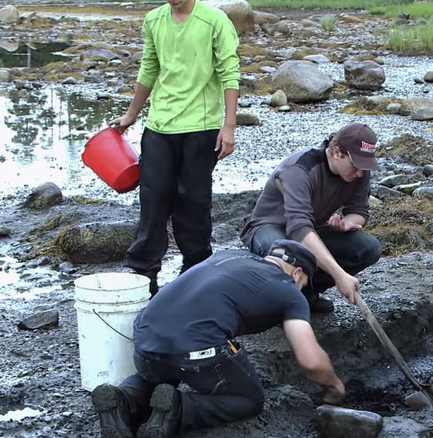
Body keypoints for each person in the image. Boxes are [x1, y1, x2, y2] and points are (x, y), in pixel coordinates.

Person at [91, 239, 346, 438]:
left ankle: (124, 399)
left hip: (145, 337)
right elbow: (311, 360)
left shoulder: (228, 255)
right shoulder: (289, 291)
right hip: (193, 350)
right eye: (303, 283)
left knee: (165, 366)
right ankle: (179, 409)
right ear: (297, 273)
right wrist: (334, 385)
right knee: (249, 399)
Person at [108, 0, 240, 295]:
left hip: (201, 127)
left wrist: (229, 125)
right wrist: (131, 115)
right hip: (159, 126)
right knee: (153, 200)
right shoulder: (154, 20)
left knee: (192, 203)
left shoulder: (215, 21)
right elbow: (149, 68)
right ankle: (145, 274)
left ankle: (195, 271)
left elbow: (230, 72)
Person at [240, 122, 383, 314]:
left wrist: (348, 223)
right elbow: (298, 228)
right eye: (356, 165)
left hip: (313, 227)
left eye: (365, 166)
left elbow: (359, 210)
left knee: (369, 248)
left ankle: (307, 292)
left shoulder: (360, 172)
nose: (360, 173)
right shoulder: (299, 169)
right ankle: (280, 305)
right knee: (283, 255)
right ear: (337, 152)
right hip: (270, 227)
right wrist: (339, 275)